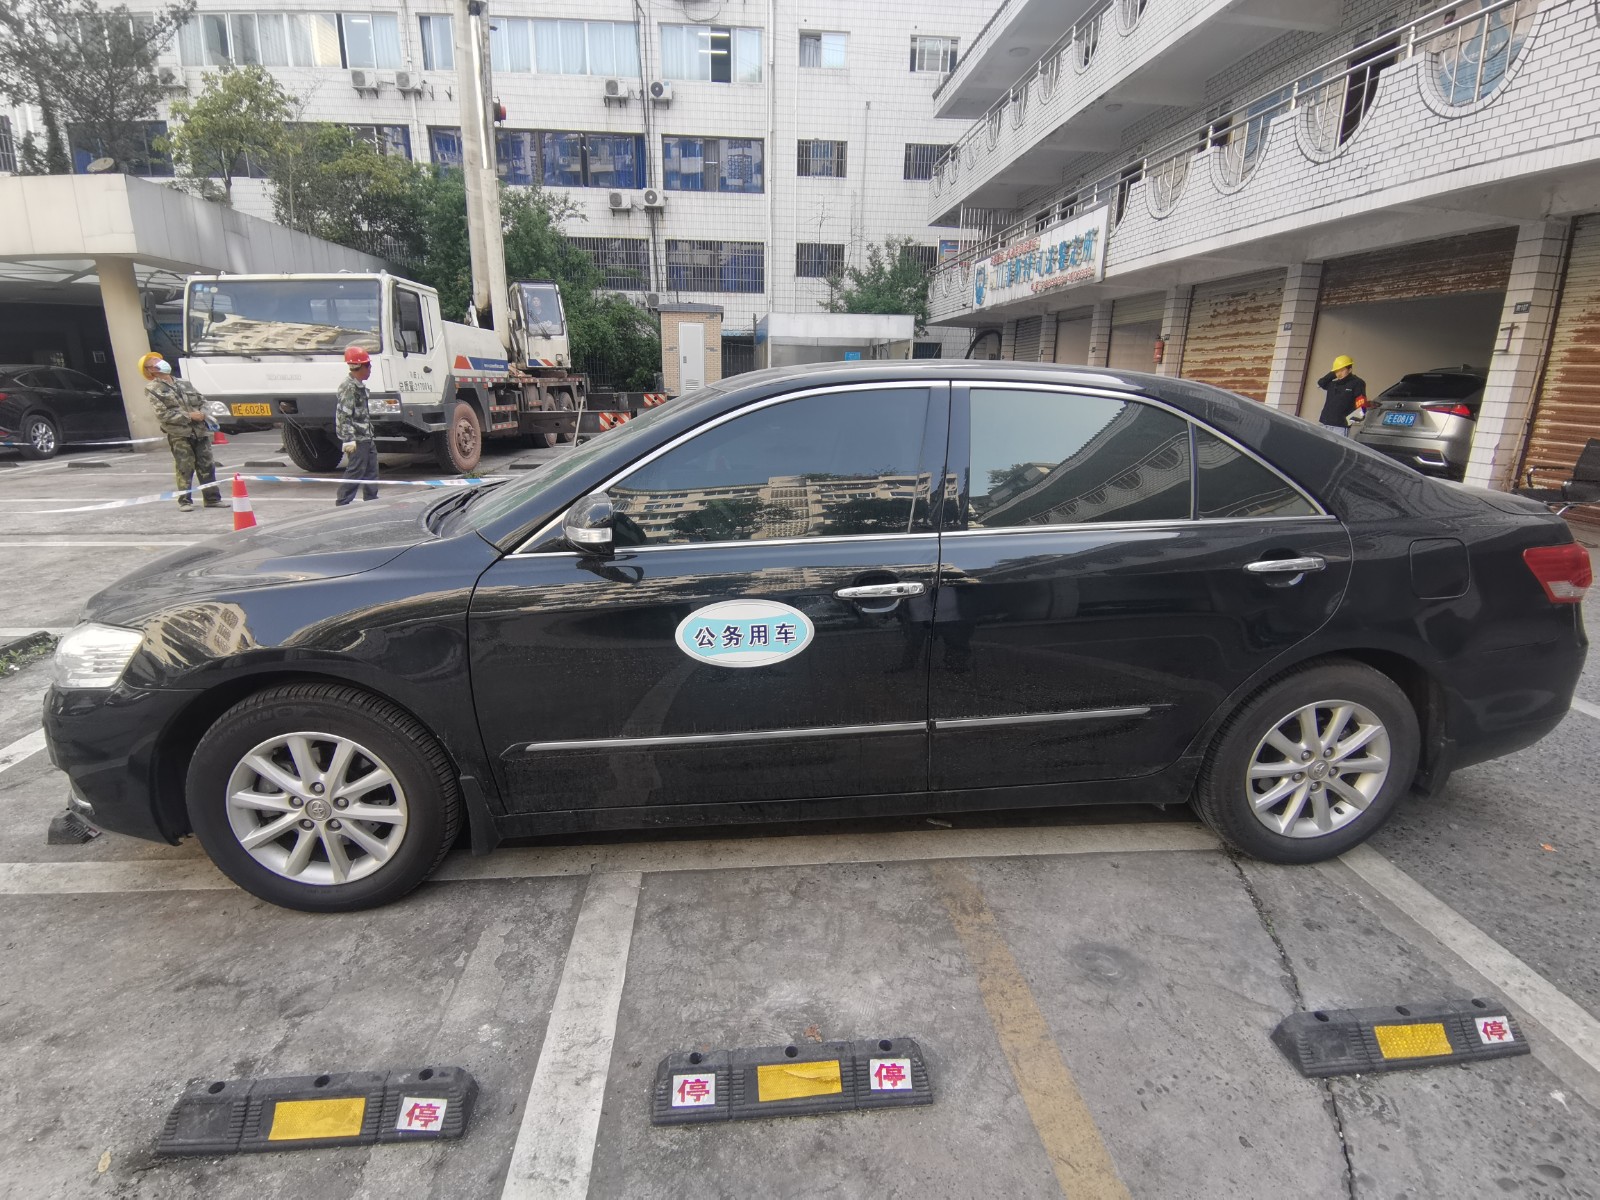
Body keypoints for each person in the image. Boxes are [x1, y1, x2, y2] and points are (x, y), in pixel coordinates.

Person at [142, 353, 222, 511]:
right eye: (155, 362)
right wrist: (189, 416)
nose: (161, 363)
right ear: (150, 370)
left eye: (159, 360)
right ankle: (185, 501)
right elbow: (163, 414)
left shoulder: (184, 383)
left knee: (207, 465)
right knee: (185, 466)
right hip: (179, 433)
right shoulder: (153, 389)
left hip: (200, 430)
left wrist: (203, 414)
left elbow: (202, 400)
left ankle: (212, 499)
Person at [335, 344, 379, 505]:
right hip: (357, 438)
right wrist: (348, 439)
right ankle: (343, 502)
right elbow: (344, 414)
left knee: (372, 471)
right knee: (356, 471)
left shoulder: (358, 386)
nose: (370, 370)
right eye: (369, 366)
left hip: (366, 436)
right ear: (361, 367)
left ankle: (372, 501)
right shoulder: (349, 387)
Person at [1315, 355, 1368, 436]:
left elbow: (1362, 406)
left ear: (1350, 370)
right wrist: (1333, 373)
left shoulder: (1357, 383)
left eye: (1342, 370)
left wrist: (1348, 421)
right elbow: (1320, 383)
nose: (1339, 373)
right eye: (1337, 371)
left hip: (1340, 428)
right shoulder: (1333, 383)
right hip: (1324, 423)